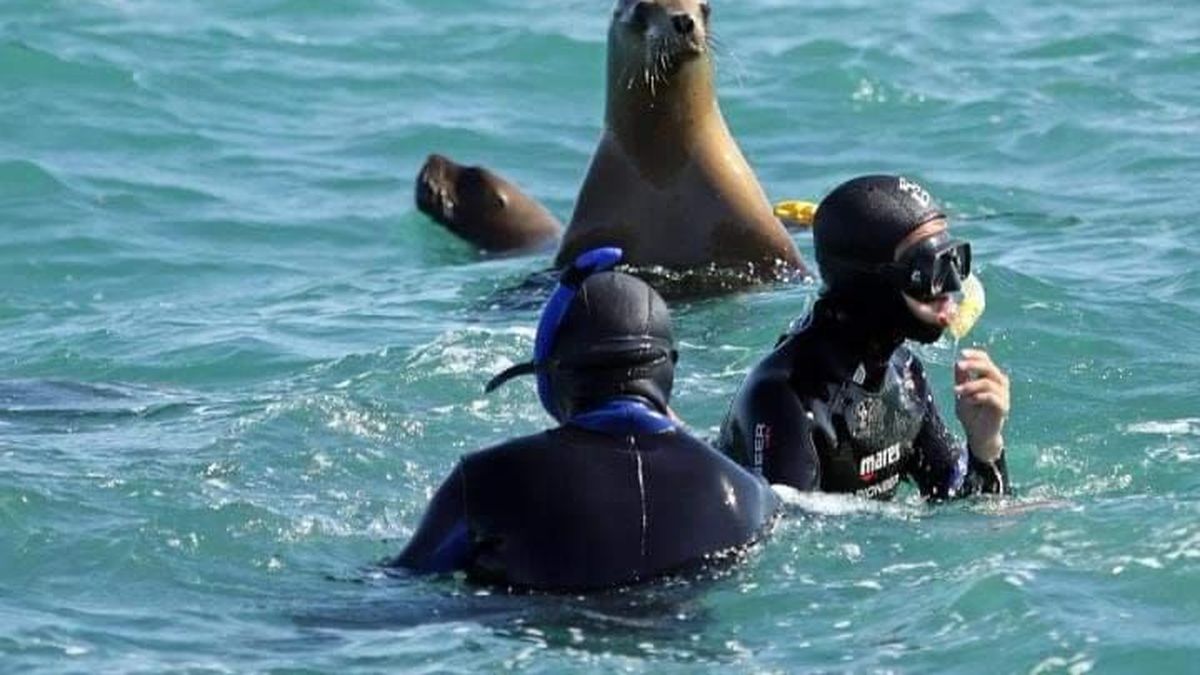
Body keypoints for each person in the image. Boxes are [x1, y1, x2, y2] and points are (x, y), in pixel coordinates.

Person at [390, 248, 780, 591]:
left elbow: (401, 587)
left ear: (549, 376)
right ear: (670, 368)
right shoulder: (746, 493)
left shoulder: (487, 479)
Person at [717, 175, 1011, 500]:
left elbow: (962, 504)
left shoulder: (904, 374)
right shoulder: (784, 400)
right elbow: (789, 538)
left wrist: (985, 445)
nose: (952, 285)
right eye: (929, 267)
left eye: (954, 260)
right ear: (869, 281)